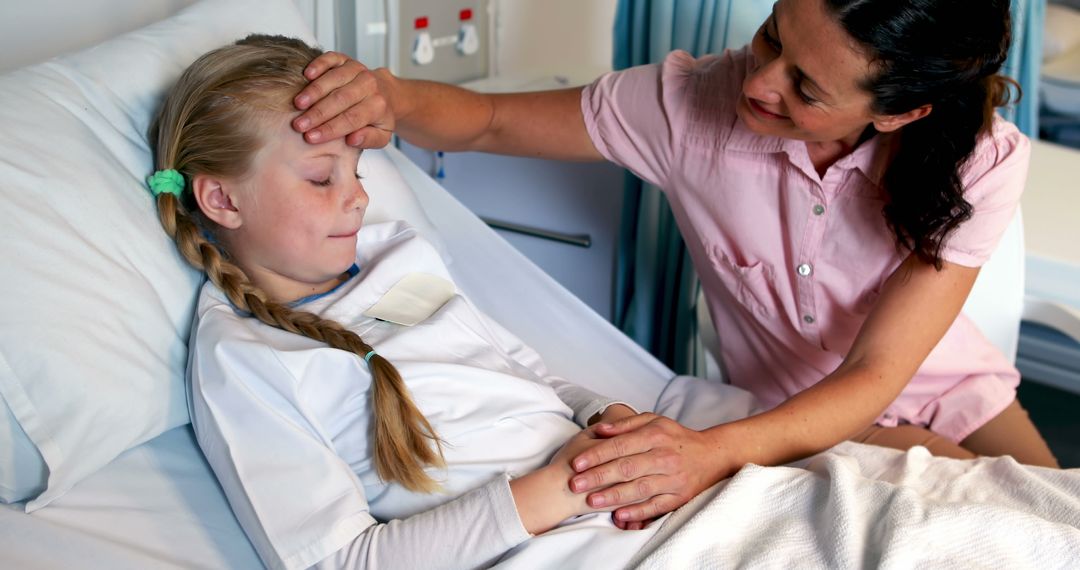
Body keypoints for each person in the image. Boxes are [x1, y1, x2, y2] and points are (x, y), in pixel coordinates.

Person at [291, 0, 1061, 527]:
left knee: (1058, 512)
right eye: (773, 37)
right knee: (993, 517)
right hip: (795, 418)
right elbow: (490, 119)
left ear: (898, 111)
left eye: (805, 86)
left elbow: (877, 375)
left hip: (955, 390)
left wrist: (704, 457)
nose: (759, 82)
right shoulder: (691, 107)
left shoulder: (981, 159)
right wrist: (387, 95)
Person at [147, 33, 760, 569]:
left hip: (632, 495)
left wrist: (605, 419)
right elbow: (341, 560)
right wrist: (569, 486)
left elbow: (529, 375)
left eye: (357, 170)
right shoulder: (243, 356)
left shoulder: (397, 251)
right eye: (319, 177)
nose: (358, 198)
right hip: (568, 538)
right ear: (222, 201)